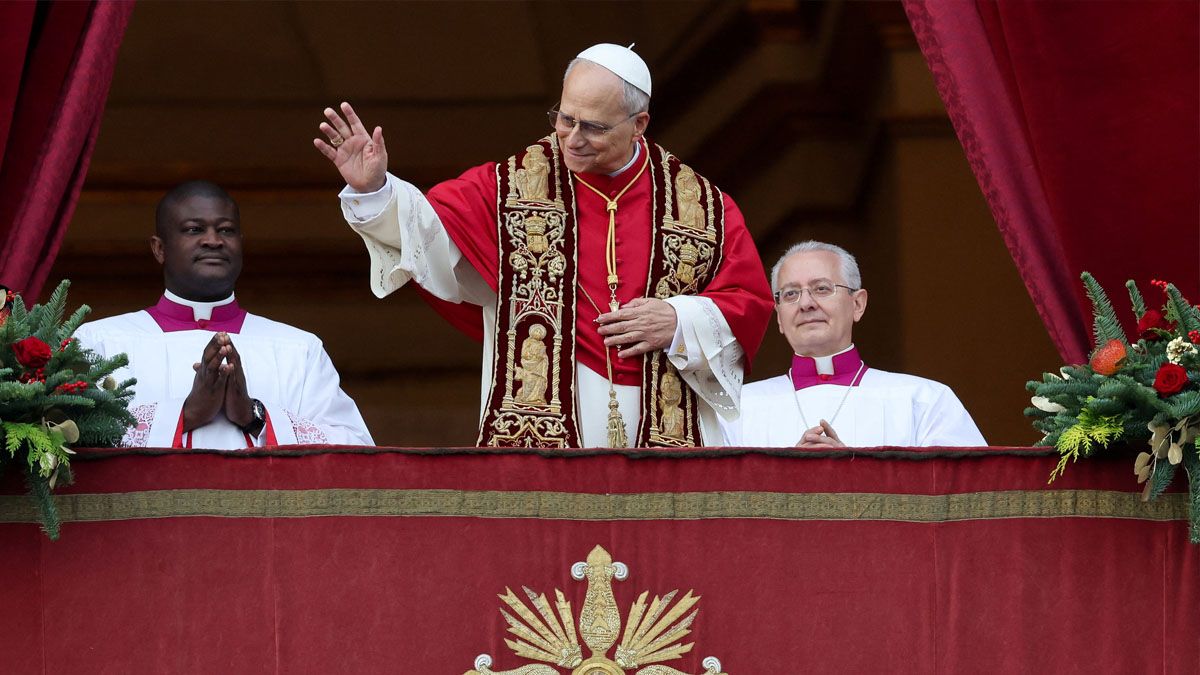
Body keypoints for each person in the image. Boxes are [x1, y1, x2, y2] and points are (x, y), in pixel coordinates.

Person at [314, 43, 773, 448]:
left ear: (639, 125)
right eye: (564, 118)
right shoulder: (514, 183)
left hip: (669, 427)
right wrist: (376, 189)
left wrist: (680, 319)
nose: (571, 138)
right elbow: (431, 233)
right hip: (545, 422)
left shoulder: (703, 206)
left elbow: (748, 301)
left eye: (592, 126)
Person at [75, 181, 373, 450]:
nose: (213, 240)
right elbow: (66, 441)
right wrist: (186, 414)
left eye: (226, 230)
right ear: (159, 249)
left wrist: (254, 415)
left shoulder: (299, 349)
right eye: (194, 229)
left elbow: (355, 450)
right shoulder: (99, 343)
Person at [723, 241, 986, 447]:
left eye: (822, 288)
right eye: (791, 294)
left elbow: (962, 500)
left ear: (857, 304)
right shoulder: (735, 410)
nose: (806, 304)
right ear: (779, 316)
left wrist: (853, 476)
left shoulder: (925, 401)